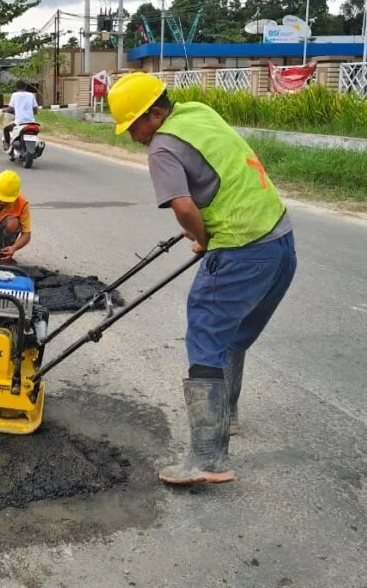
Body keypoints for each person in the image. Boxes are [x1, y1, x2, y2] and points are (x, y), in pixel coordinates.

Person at [107, 71, 297, 487]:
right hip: (280, 244)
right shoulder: (198, 112)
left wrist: (204, 237)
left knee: (206, 338)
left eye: (134, 126)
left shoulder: (162, 147)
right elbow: (218, 176)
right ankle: (226, 418)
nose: (133, 137)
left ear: (155, 115)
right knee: (232, 336)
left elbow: (183, 207)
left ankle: (207, 459)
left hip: (241, 249)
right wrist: (204, 233)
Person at [2, 80, 39, 152]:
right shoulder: (31, 95)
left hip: (19, 122)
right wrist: (34, 113)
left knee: (5, 129)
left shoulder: (14, 95)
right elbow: (35, 108)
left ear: (16, 87)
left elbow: (10, 108)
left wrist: (5, 110)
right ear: (25, 87)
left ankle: (7, 145)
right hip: (31, 122)